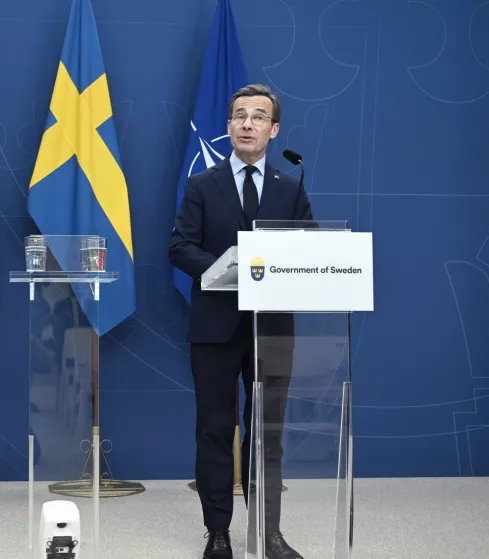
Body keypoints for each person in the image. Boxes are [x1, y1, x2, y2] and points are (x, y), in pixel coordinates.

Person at [170, 84, 311, 559]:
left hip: (271, 330)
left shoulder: (291, 189)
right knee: (214, 430)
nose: (247, 124)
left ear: (273, 130)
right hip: (215, 328)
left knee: (266, 433)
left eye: (257, 117)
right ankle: (218, 532)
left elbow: (307, 253)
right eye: (238, 116)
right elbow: (180, 247)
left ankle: (268, 533)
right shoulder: (201, 186)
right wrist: (224, 268)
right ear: (228, 126)